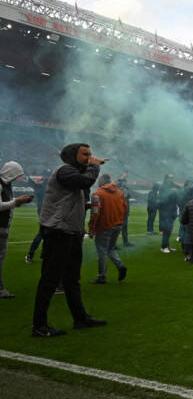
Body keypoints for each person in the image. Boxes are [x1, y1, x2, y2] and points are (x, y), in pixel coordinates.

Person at [31, 143, 108, 337]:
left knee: (72, 279)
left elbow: (72, 197)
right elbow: (85, 182)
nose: (89, 157)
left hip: (71, 231)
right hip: (58, 231)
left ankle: (80, 318)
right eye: (85, 154)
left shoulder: (74, 173)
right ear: (72, 155)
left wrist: (87, 205)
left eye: (90, 154)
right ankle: (39, 326)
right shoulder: (65, 170)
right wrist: (95, 166)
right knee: (50, 280)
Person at [1, 161, 34, 298]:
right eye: (16, 175)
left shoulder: (6, 185)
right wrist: (16, 202)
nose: (16, 178)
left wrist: (18, 202)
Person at [88, 174, 128, 284]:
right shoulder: (119, 192)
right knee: (110, 248)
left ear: (101, 181)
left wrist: (91, 228)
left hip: (104, 226)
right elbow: (125, 207)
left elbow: (95, 213)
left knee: (102, 251)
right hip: (118, 224)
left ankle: (102, 277)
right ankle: (120, 265)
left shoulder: (97, 194)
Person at [25, 172, 49, 263]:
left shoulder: (40, 186)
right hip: (48, 211)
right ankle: (35, 254)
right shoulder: (48, 186)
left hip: (42, 211)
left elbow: (33, 184)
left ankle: (36, 254)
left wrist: (31, 179)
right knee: (43, 233)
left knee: (43, 233)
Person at [158, 175, 179, 253]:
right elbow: (162, 198)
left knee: (169, 229)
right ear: (166, 178)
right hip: (165, 211)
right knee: (166, 229)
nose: (172, 179)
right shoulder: (163, 187)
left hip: (172, 210)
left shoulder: (172, 186)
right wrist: (171, 191)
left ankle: (167, 246)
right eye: (170, 178)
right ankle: (163, 247)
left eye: (172, 177)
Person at [116, 176, 134, 247]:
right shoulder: (117, 189)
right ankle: (114, 244)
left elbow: (127, 200)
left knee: (124, 227)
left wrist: (128, 211)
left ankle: (125, 242)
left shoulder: (125, 189)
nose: (124, 183)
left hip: (124, 211)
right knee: (117, 227)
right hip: (119, 211)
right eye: (124, 182)